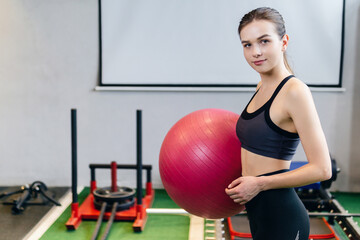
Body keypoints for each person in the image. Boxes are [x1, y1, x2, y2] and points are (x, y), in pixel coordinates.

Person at [225, 7, 332, 240]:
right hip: (257, 211)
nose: (256, 52)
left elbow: (322, 169)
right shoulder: (261, 87)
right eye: (247, 44)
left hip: (282, 216)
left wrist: (260, 184)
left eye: (264, 41)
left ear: (284, 42)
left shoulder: (295, 92)